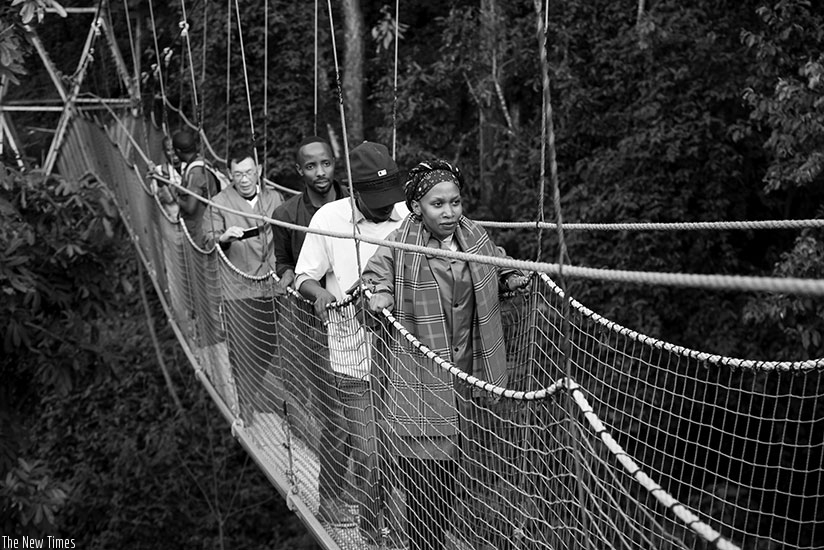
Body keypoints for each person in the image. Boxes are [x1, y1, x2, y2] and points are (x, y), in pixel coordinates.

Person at [361, 159, 529, 550]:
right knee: (425, 486)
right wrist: (378, 296)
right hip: (419, 381)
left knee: (452, 481)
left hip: (465, 380)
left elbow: (496, 264)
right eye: (438, 204)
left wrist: (510, 278)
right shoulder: (400, 245)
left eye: (455, 202)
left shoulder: (476, 239)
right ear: (417, 206)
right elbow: (372, 280)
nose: (450, 212)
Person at [294, 141, 409, 546]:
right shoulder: (328, 218)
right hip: (351, 354)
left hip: (402, 359)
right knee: (370, 451)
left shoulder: (407, 218)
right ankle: (372, 532)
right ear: (356, 192)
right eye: (376, 200)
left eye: (389, 198)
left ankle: (398, 527)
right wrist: (320, 294)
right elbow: (303, 276)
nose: (385, 208)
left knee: (401, 454)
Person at [203, 145, 284, 423]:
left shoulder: (275, 198)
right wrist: (223, 237)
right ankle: (246, 405)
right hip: (238, 290)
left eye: (249, 172)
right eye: (238, 174)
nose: (245, 179)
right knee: (243, 349)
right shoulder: (219, 202)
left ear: (259, 171)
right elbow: (206, 240)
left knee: (270, 346)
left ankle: (260, 396)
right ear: (229, 174)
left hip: (272, 286)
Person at [272, 136, 346, 291]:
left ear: (334, 162)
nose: (320, 172)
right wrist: (287, 273)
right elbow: (283, 261)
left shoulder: (355, 203)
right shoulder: (284, 215)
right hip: (308, 304)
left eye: (326, 164)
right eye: (311, 166)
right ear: (299, 170)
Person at [172, 129, 219, 247]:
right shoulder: (200, 161)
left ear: (178, 151)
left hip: (202, 228)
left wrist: (174, 196)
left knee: (203, 263)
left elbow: (190, 207)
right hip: (208, 223)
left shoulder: (196, 172)